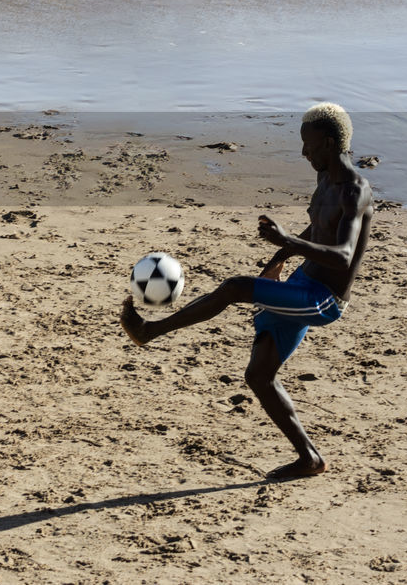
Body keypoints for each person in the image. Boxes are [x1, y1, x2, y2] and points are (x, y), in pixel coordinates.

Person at [120, 103, 373, 480]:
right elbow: (319, 230)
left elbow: (343, 255)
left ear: (331, 142)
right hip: (302, 285)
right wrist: (283, 253)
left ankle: (150, 331)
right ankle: (310, 459)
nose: (304, 153)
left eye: (310, 145)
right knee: (259, 376)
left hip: (323, 301)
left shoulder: (355, 190)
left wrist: (287, 239)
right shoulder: (324, 178)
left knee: (235, 288)